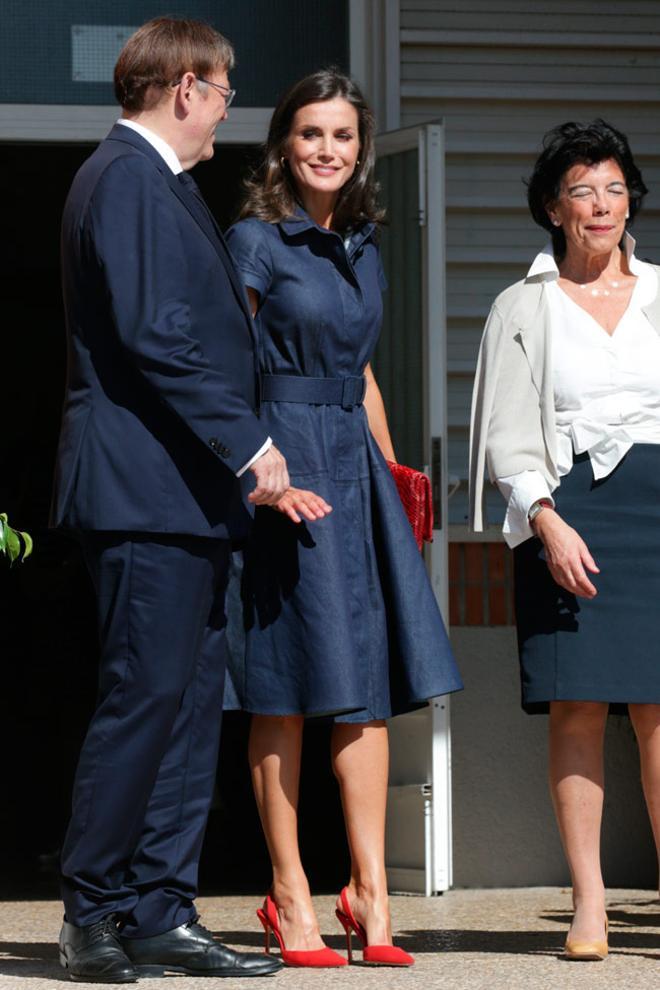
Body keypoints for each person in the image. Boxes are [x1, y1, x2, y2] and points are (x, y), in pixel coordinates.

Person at [51, 17, 288, 983]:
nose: (228, 116)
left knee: (190, 711)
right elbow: (158, 335)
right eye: (227, 94)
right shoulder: (128, 180)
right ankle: (93, 912)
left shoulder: (162, 185)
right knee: (143, 702)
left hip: (186, 502)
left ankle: (159, 909)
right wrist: (251, 443)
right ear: (186, 86)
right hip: (146, 494)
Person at [225, 68, 462, 969]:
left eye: (345, 136)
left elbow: (359, 372)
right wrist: (256, 471)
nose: (329, 150)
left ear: (362, 151)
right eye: (313, 133)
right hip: (282, 470)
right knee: (285, 690)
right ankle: (289, 894)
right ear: (287, 141)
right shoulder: (252, 242)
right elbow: (222, 368)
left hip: (354, 471)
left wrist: (397, 471)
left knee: (364, 691)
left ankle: (370, 890)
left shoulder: (364, 245)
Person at [470, 119, 660, 961]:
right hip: (569, 506)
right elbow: (507, 430)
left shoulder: (659, 291)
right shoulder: (525, 305)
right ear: (553, 207)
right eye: (582, 190)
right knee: (577, 707)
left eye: (615, 188)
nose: (601, 205)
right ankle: (589, 903)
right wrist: (546, 520)